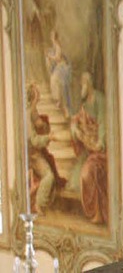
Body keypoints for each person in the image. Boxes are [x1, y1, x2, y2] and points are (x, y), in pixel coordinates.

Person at [70, 71, 108, 224]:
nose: (82, 88)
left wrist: (101, 142)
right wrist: (75, 127)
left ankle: (98, 212)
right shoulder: (85, 104)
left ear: (88, 83)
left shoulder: (99, 98)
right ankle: (94, 211)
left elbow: (104, 121)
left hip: (103, 149)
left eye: (83, 84)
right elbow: (77, 118)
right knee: (79, 176)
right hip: (90, 149)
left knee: (88, 173)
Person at [27, 83, 66, 215]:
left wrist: (42, 125)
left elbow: (38, 122)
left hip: (36, 152)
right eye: (37, 94)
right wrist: (48, 137)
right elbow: (34, 141)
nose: (39, 97)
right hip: (31, 155)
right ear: (33, 97)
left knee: (51, 162)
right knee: (49, 176)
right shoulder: (27, 114)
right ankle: (39, 204)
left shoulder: (31, 111)